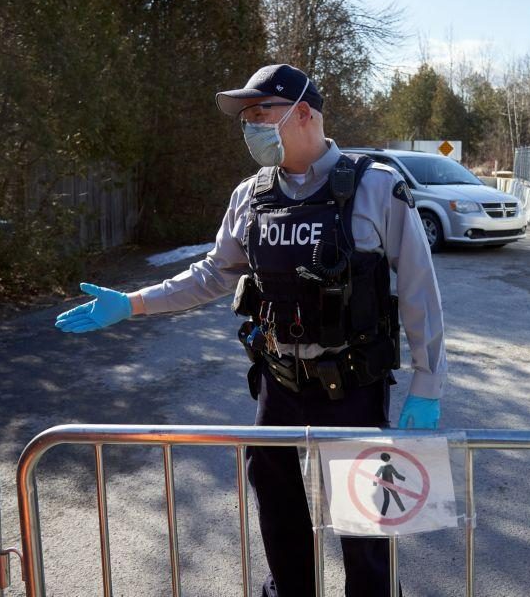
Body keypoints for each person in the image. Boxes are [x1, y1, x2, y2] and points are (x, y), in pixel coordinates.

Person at [54, 63, 447, 597]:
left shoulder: (375, 187)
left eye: (260, 114)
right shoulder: (251, 197)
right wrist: (132, 304)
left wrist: (428, 384)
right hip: (277, 385)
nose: (249, 128)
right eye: (246, 119)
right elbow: (213, 274)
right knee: (279, 514)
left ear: (303, 112)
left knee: (364, 529)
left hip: (352, 389)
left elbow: (420, 290)